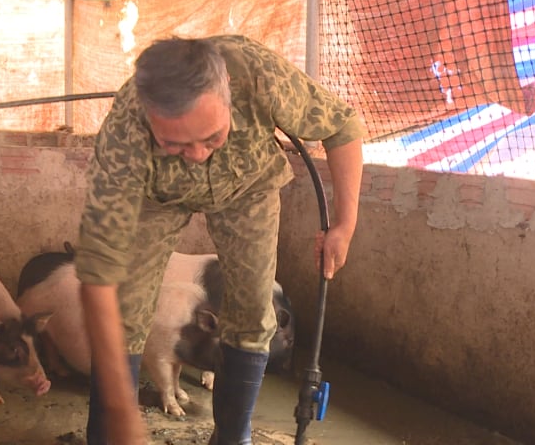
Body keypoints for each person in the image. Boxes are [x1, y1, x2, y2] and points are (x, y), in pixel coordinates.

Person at [73, 34, 365, 445]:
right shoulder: (124, 134)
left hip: (247, 189)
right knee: (124, 308)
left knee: (252, 309)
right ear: (149, 118)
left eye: (212, 137)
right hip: (154, 198)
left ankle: (232, 435)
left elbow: (342, 126)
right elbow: (98, 276)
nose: (197, 155)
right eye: (174, 143)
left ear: (229, 93)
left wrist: (345, 225)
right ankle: (104, 433)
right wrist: (124, 416)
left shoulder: (259, 74)